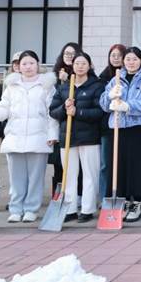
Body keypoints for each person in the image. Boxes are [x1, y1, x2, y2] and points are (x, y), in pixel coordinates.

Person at [0, 51, 58, 223]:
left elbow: (52, 112)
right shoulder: (12, 86)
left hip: (38, 137)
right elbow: (4, 107)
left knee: (35, 178)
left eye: (31, 63)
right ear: (19, 66)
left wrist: (52, 134)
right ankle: (16, 209)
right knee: (16, 178)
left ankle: (31, 209)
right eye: (24, 64)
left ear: (38, 65)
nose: (28, 67)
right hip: (15, 137)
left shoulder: (46, 86)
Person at [98, 47, 141, 222]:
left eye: (134, 59)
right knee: (118, 166)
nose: (131, 62)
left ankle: (136, 203)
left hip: (138, 129)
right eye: (128, 59)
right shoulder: (116, 79)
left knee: (137, 167)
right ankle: (121, 200)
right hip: (117, 128)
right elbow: (103, 104)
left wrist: (128, 106)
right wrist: (110, 97)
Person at [49, 51, 104, 223]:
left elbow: (100, 112)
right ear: (72, 66)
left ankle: (88, 209)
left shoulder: (96, 86)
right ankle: (70, 208)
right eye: (77, 63)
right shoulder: (64, 87)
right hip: (68, 136)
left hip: (89, 137)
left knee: (90, 174)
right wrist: (64, 108)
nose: (80, 66)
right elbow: (53, 112)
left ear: (90, 66)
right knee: (69, 174)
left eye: (83, 63)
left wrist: (78, 112)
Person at [50, 42, 82, 197]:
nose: (69, 56)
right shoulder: (55, 76)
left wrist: (68, 79)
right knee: (59, 161)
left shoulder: (83, 72)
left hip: (77, 125)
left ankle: (77, 193)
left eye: (72, 54)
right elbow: (52, 104)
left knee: (76, 164)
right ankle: (59, 194)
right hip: (59, 123)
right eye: (66, 54)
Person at [97, 44, 126, 204]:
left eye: (119, 55)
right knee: (106, 165)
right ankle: (104, 197)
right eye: (112, 55)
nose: (115, 58)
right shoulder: (102, 78)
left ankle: (122, 195)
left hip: (125, 126)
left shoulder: (128, 77)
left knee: (122, 163)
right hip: (107, 127)